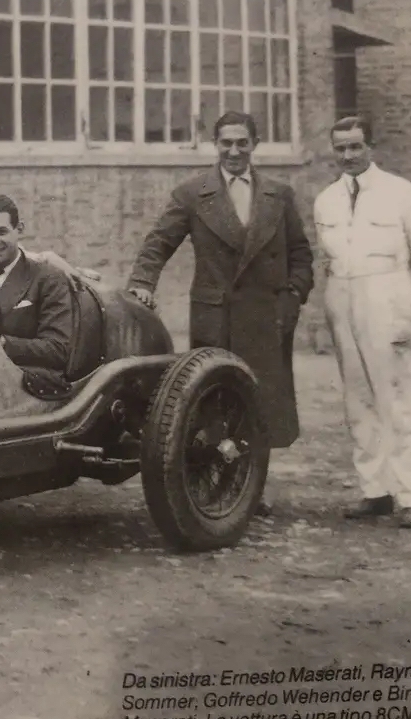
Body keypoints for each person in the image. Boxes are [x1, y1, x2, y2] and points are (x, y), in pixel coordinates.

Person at [124, 111, 316, 514]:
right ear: (216, 145)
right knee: (214, 401)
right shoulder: (193, 193)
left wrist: (293, 295)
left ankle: (252, 488)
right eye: (226, 142)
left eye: (242, 142)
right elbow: (159, 242)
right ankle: (219, 486)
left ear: (255, 144)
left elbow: (300, 254)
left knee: (260, 402)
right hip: (217, 316)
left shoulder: (279, 195)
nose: (234, 151)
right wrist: (142, 283)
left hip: (266, 316)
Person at [312, 115, 411, 528]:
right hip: (342, 298)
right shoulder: (326, 199)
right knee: (358, 400)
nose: (348, 155)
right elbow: (327, 259)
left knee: (397, 400)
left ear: (371, 146)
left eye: (355, 146)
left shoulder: (401, 193)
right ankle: (376, 490)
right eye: (340, 148)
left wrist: (408, 307)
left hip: (388, 297)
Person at [0, 195, 74, 380]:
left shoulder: (48, 278)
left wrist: (2, 344)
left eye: (1, 232)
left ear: (19, 229)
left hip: (26, 382)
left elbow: (58, 349)